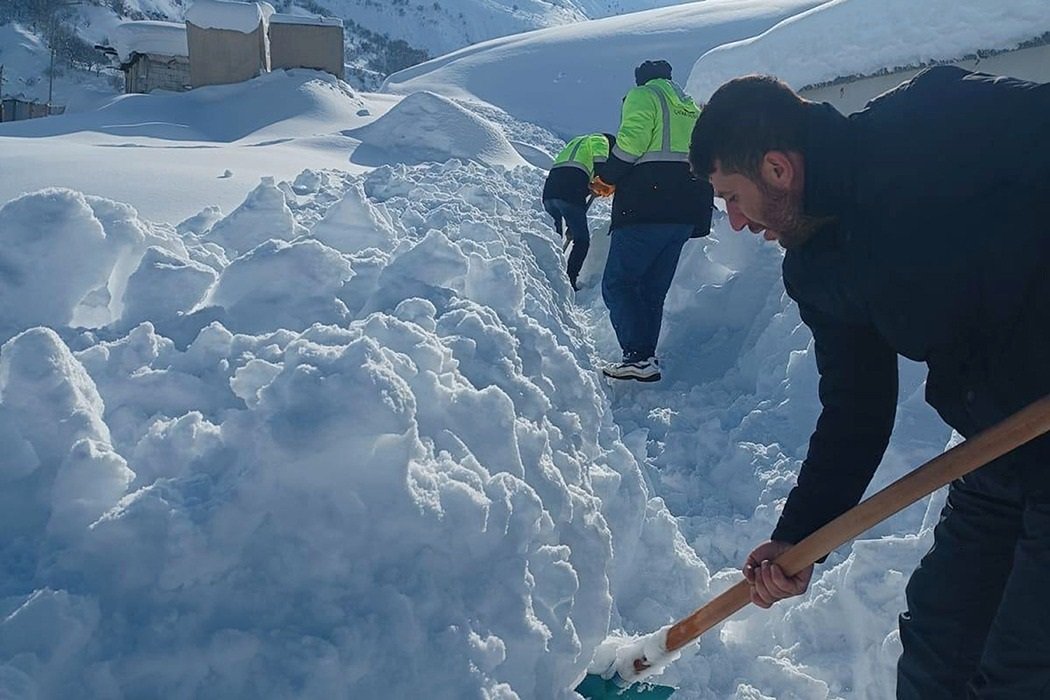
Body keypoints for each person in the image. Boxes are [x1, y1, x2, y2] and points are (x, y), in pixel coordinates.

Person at [689, 66, 1050, 698]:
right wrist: (799, 538)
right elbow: (857, 409)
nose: (737, 223)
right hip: (995, 452)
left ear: (777, 169)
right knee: (939, 651)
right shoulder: (816, 269)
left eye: (733, 198)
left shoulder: (929, 120)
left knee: (1022, 673)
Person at [596, 59, 714, 382]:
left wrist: (606, 175)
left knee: (618, 283)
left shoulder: (643, 95)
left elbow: (631, 143)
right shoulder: (689, 106)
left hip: (646, 206)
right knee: (651, 289)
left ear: (643, 79)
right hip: (685, 213)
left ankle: (636, 355)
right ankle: (645, 358)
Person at [542, 133, 614, 291]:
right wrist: (605, 182)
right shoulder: (601, 141)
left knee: (553, 239)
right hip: (571, 191)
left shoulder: (577, 142)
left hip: (550, 190)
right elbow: (602, 169)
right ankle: (569, 282)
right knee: (582, 241)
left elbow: (573, 169)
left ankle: (545, 279)